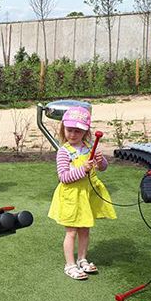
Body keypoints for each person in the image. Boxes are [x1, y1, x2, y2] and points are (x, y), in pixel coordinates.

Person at [47, 106, 117, 280]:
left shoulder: (88, 148)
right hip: (71, 196)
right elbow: (63, 177)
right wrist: (82, 170)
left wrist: (101, 162)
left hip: (86, 195)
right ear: (63, 128)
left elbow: (103, 168)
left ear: (85, 132)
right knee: (71, 232)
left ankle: (82, 259)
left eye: (78, 131)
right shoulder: (64, 151)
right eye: (69, 130)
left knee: (85, 230)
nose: (73, 134)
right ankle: (69, 265)